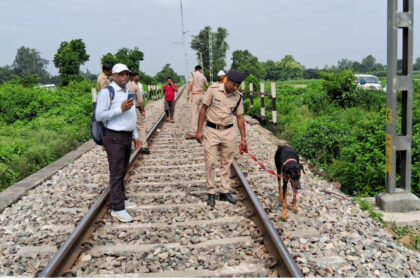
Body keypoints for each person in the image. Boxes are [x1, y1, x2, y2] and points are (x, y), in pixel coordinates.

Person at [95, 63, 141, 222]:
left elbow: (131, 115)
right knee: (116, 172)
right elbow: (100, 115)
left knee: (122, 169)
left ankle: (122, 198)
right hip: (114, 136)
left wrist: (135, 134)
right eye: (121, 74)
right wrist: (119, 109)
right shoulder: (107, 92)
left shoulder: (127, 91)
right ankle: (117, 208)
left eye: (127, 74)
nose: (125, 76)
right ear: (113, 76)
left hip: (126, 135)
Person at [196, 70, 247, 208]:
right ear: (227, 80)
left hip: (228, 132)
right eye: (234, 84)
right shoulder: (213, 90)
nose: (235, 88)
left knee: (226, 163)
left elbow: (240, 117)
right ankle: (211, 192)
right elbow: (203, 109)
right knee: (211, 162)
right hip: (212, 130)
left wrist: (243, 138)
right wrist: (199, 130)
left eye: (238, 85)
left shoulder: (238, 97)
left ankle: (224, 191)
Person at [128, 72, 150, 154]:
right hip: (135, 109)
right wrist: (143, 110)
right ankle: (144, 146)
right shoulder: (134, 86)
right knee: (140, 127)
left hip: (123, 110)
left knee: (127, 128)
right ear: (131, 77)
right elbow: (140, 101)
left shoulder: (119, 86)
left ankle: (128, 147)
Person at [185, 65, 209, 140]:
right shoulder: (203, 76)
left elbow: (190, 84)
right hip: (202, 95)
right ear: (200, 69)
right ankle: (206, 131)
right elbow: (207, 86)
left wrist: (188, 94)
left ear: (195, 69)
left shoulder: (192, 74)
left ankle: (193, 133)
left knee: (194, 114)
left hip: (195, 95)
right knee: (203, 114)